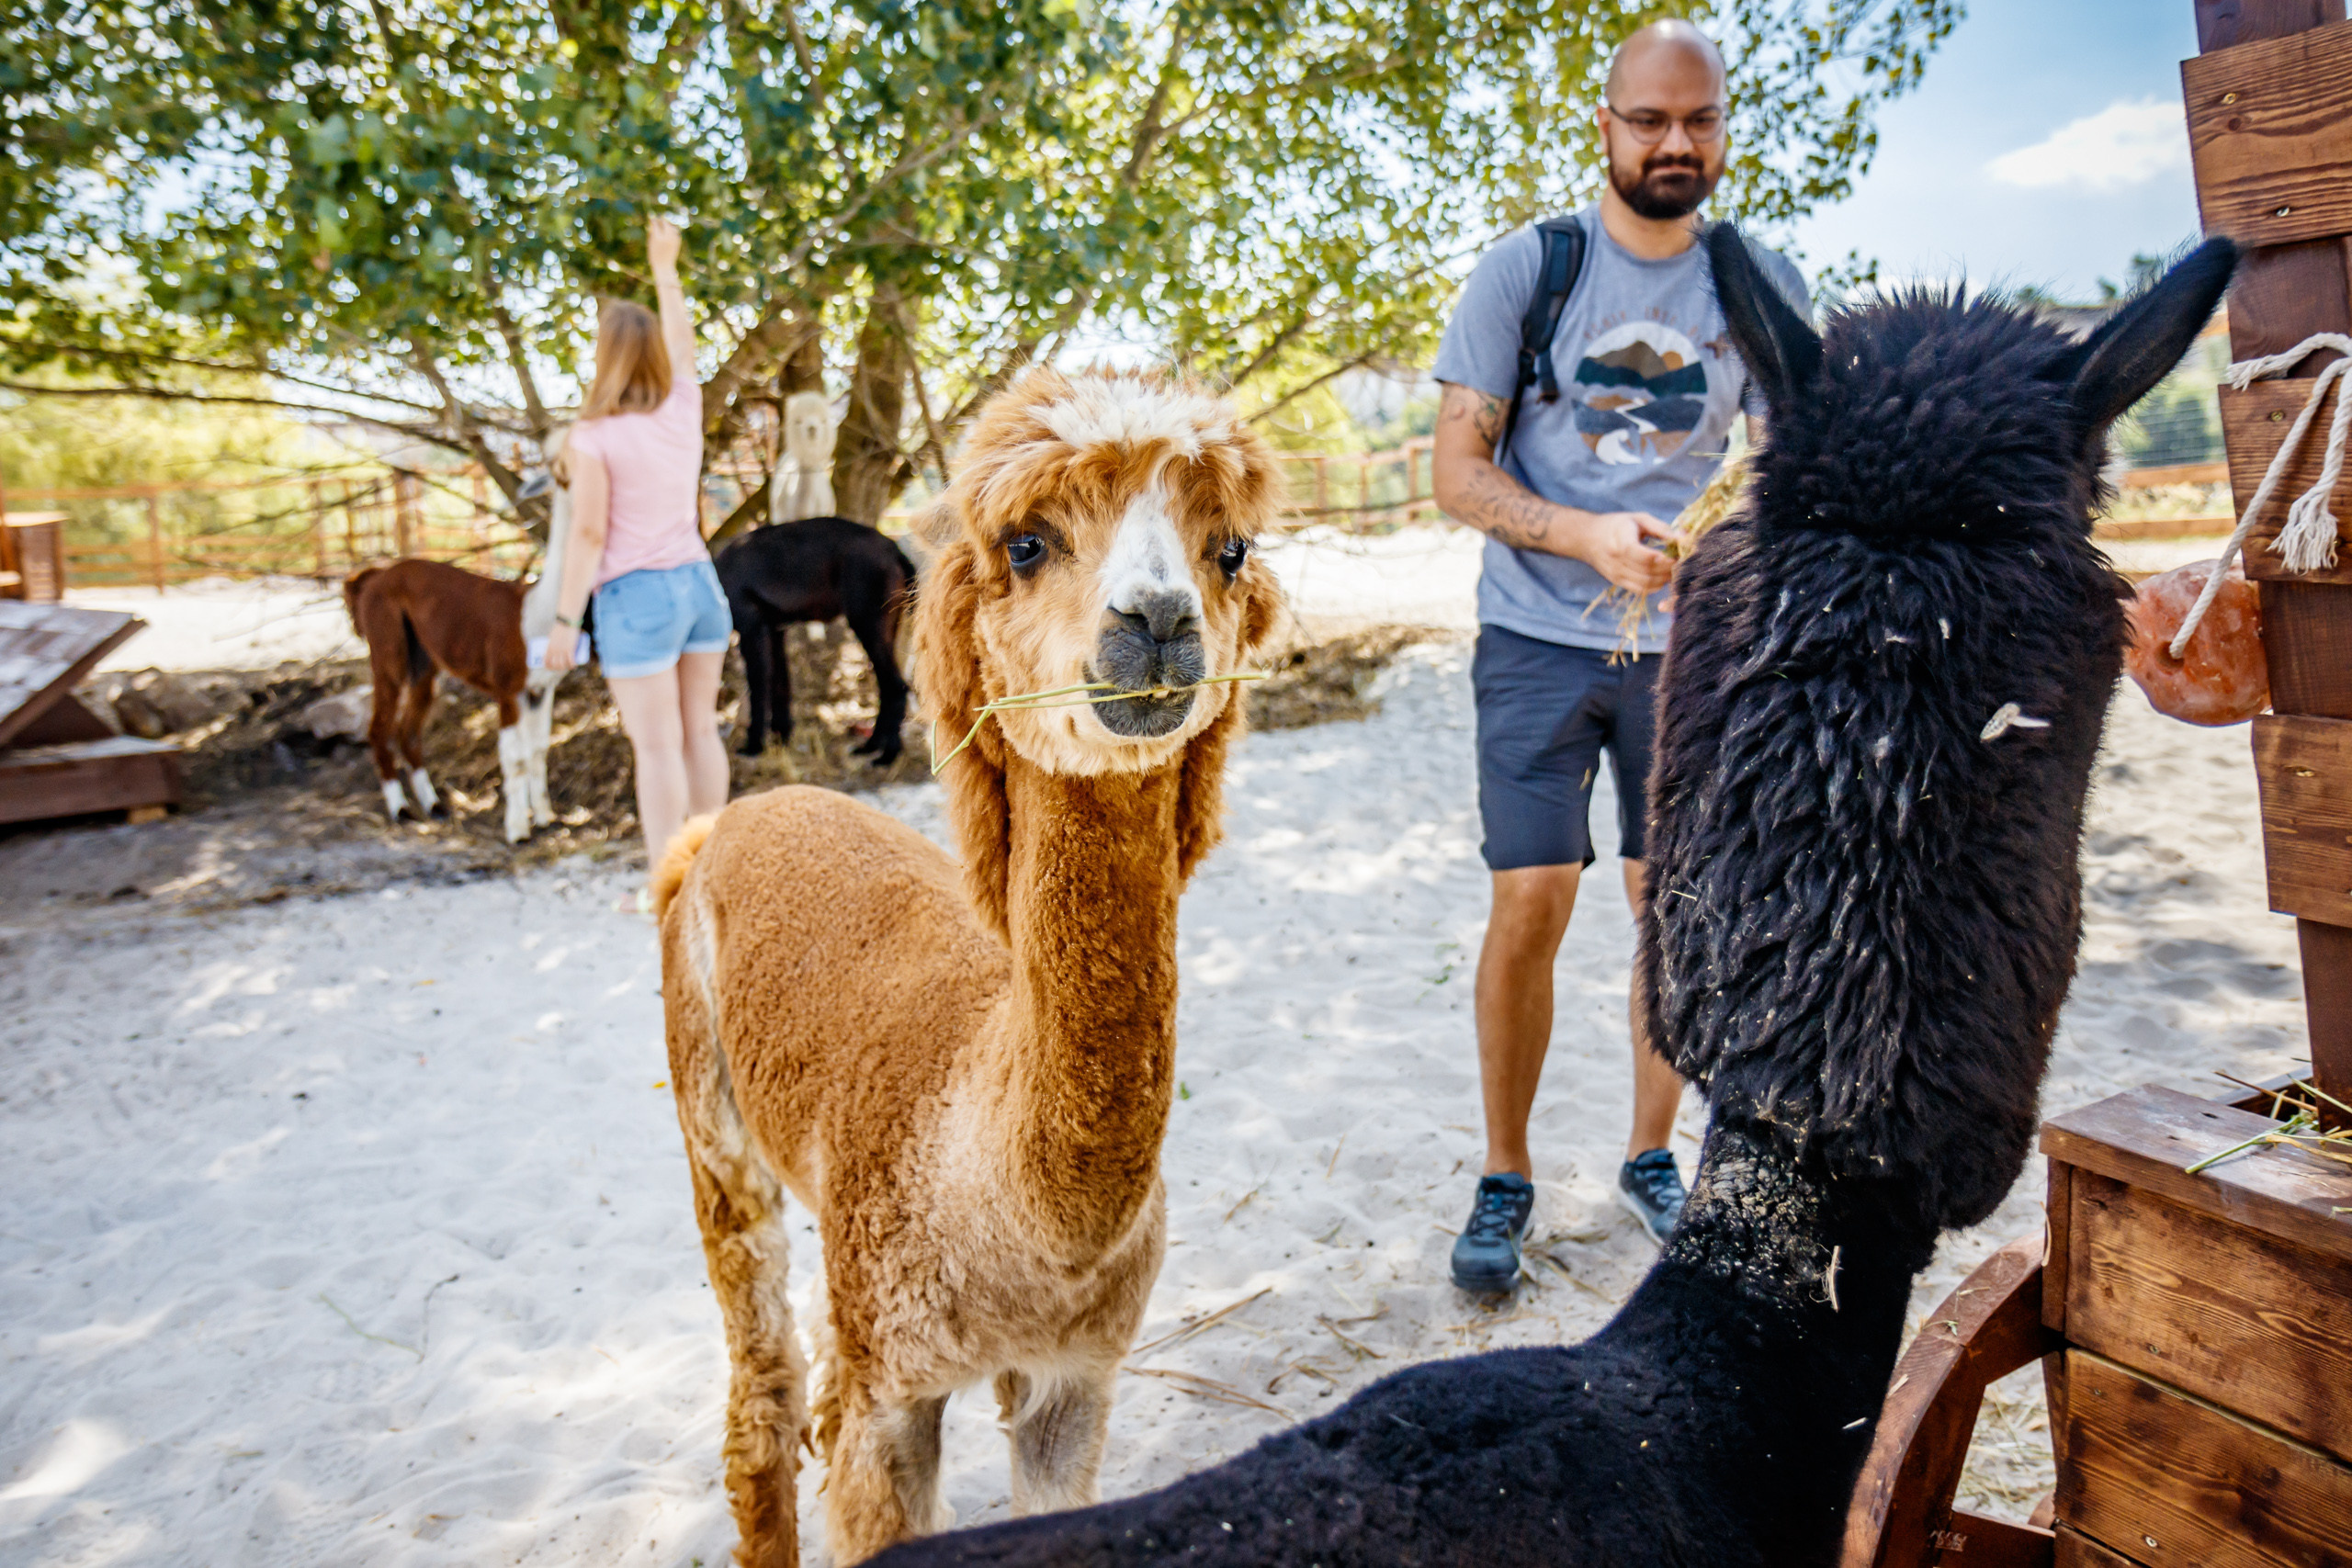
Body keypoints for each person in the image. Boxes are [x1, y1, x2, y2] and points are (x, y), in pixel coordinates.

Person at [1429, 20, 1811, 1290]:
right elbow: (1456, 471)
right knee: (1532, 897)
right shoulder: (1529, 271)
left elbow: (1789, 468)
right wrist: (1583, 532)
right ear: (1605, 126)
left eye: (1697, 121)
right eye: (1647, 120)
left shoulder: (1758, 286)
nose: (1672, 143)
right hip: (1534, 636)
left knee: (1674, 907)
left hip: (1690, 651)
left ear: (1724, 131)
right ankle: (1504, 1171)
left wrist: (1721, 548)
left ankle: (1653, 1154)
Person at [546, 215, 732, 905]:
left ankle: (668, 889)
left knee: (656, 748)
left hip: (637, 597)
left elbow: (588, 533)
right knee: (700, 731)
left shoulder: (592, 436)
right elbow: (683, 342)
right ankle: (711, 875)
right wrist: (665, 267)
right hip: (700, 587)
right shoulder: (682, 407)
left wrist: (565, 621)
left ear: (604, 358)